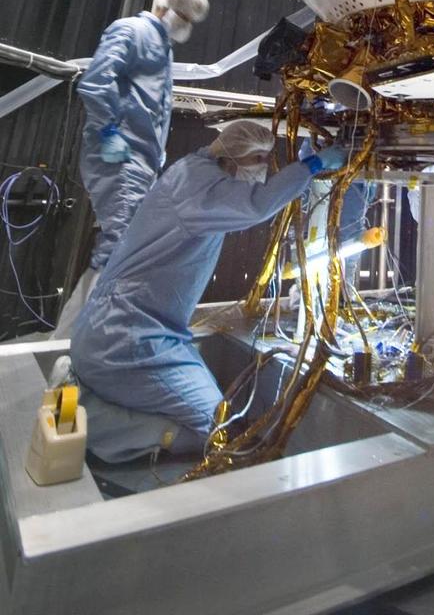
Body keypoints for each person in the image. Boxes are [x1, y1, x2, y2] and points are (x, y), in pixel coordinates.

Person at [70, 119, 347, 462]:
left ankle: (88, 394)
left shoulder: (195, 172)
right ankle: (94, 421)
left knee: (218, 413)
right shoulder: (196, 185)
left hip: (130, 331)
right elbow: (257, 205)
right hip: (126, 342)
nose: (264, 169)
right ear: (230, 157)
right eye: (258, 159)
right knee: (217, 430)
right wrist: (312, 166)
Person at [53, 0, 209, 336]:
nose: (184, 25)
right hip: (121, 155)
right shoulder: (132, 31)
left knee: (122, 244)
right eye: (183, 16)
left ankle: (74, 339)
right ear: (165, 6)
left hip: (140, 159)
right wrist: (109, 131)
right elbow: (96, 82)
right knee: (121, 245)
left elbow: (154, 106)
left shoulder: (162, 47)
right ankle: (78, 340)